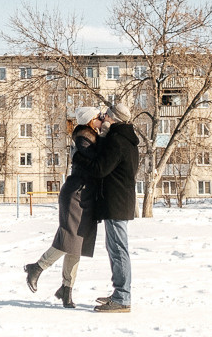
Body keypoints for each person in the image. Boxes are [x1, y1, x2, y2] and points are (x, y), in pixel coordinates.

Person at [23, 106, 104, 308]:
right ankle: (37, 267)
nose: (102, 119)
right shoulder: (84, 139)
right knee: (69, 238)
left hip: (84, 195)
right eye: (98, 117)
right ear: (90, 120)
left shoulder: (92, 137)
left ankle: (66, 289)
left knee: (76, 243)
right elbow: (95, 164)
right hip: (75, 194)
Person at [91, 102, 138, 313]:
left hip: (116, 202)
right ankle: (120, 293)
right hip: (119, 201)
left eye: (106, 116)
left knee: (119, 249)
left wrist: (101, 139)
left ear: (113, 119)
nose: (103, 119)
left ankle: (122, 297)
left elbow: (101, 168)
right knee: (116, 248)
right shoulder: (127, 140)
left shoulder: (117, 141)